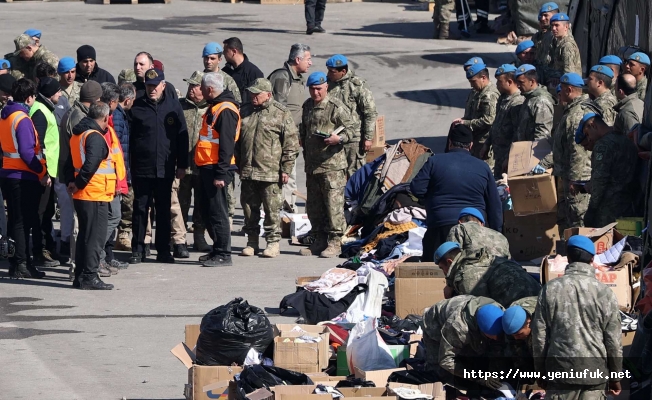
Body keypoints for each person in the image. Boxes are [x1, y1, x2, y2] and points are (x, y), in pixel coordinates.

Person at [532, 235, 623, 398]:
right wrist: (615, 376)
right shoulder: (605, 293)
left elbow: (539, 337)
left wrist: (540, 372)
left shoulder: (549, 289)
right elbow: (613, 340)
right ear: (592, 259)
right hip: (594, 374)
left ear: (568, 257)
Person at [411, 124, 502, 262]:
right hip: (475, 229)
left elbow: (416, 188)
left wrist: (431, 198)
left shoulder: (434, 162)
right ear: (471, 145)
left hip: (440, 226)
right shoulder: (483, 167)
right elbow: (495, 206)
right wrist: (496, 233)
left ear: (450, 143)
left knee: (434, 270)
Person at [128, 68, 188, 264]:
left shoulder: (173, 106)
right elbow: (128, 139)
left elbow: (182, 136)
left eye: (155, 86)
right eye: (149, 86)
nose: (152, 89)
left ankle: (163, 250)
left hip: (165, 167)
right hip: (142, 167)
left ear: (163, 85)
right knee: (140, 208)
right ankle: (137, 249)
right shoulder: (136, 107)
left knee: (163, 210)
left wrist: (182, 164)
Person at [236, 79, 299, 257]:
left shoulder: (281, 113)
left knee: (272, 210)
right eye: (252, 93)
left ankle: (272, 243)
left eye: (257, 93)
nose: (253, 96)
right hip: (248, 171)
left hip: (270, 173)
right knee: (249, 209)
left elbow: (291, 144)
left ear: (268, 95)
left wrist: (286, 169)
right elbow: (237, 140)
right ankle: (252, 242)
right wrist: (238, 162)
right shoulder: (245, 111)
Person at [299, 71, 355, 258]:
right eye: (312, 89)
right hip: (313, 166)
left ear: (326, 87)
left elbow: (353, 130)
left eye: (319, 89)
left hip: (332, 165)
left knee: (333, 205)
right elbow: (304, 130)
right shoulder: (307, 106)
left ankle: (335, 241)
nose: (315, 93)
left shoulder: (335, 106)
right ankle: (319, 239)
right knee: (315, 207)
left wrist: (338, 138)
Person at [0, 78, 48, 279]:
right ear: (29, 98)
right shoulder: (23, 119)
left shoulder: (5, 116)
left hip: (8, 174)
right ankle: (21, 263)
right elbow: (28, 153)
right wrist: (42, 172)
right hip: (23, 176)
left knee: (14, 221)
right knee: (22, 221)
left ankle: (16, 262)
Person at [67, 102, 115, 290]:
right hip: (94, 193)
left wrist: (73, 182)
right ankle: (89, 276)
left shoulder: (78, 134)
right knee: (94, 238)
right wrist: (78, 182)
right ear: (104, 118)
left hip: (84, 193)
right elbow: (91, 165)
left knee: (85, 237)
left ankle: (81, 276)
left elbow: (70, 162)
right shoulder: (94, 137)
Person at [195, 72, 240, 267]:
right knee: (207, 210)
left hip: (217, 169)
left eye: (202, 89)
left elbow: (226, 144)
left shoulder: (226, 110)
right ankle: (217, 250)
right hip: (208, 166)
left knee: (218, 212)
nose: (200, 91)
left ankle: (224, 253)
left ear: (210, 89)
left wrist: (221, 173)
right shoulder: (215, 107)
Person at [538, 73, 592, 233]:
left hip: (576, 181)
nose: (559, 94)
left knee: (577, 221)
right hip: (566, 177)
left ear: (569, 90)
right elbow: (561, 147)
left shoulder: (576, 116)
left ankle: (578, 253)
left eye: (561, 91)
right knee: (566, 220)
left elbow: (578, 152)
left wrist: (575, 182)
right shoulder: (570, 112)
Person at [422, 297, 505, 395]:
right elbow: (446, 360)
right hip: (434, 324)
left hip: (465, 321)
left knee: (477, 356)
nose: (496, 338)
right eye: (492, 336)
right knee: (440, 376)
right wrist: (478, 377)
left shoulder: (500, 313)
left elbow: (498, 346)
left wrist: (494, 371)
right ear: (481, 330)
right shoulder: (459, 327)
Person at [269, 43, 311, 213]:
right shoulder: (283, 77)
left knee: (290, 175)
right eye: (308, 59)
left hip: (292, 137)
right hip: (281, 138)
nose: (310, 63)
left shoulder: (298, 79)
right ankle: (283, 213)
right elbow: (279, 111)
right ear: (297, 59)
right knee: (284, 175)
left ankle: (289, 211)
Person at [576, 113, 638, 227]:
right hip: (629, 205)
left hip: (608, 210)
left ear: (593, 125)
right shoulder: (624, 139)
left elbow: (600, 181)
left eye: (587, 134)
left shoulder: (602, 145)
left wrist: (592, 210)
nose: (589, 138)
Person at [326, 54, 378, 179]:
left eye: (332, 71)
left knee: (354, 173)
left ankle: (353, 199)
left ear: (343, 71)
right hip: (333, 137)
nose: (328, 74)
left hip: (354, 140)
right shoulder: (328, 84)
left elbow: (370, 112)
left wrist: (368, 138)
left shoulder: (357, 85)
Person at [29, 77, 63, 268]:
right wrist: (43, 173)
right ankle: (40, 252)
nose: (60, 94)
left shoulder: (44, 108)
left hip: (48, 170)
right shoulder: (41, 111)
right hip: (43, 172)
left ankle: (48, 248)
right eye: (58, 91)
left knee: (47, 211)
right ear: (51, 93)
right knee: (41, 213)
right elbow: (38, 144)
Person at [98, 83, 129, 274]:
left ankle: (103, 256)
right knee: (112, 217)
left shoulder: (109, 120)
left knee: (111, 218)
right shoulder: (108, 121)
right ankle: (98, 256)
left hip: (113, 180)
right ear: (112, 102)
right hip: (108, 182)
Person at [178, 71, 211, 252]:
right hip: (183, 166)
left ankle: (199, 236)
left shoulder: (211, 108)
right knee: (180, 204)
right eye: (189, 85)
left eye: (195, 86)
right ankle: (179, 238)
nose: (191, 89)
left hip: (203, 166)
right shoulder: (180, 106)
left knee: (201, 204)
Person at [452, 62, 499, 169]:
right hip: (477, 141)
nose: (471, 85)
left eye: (473, 82)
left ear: (483, 78)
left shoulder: (489, 95)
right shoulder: (479, 92)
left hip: (485, 143)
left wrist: (466, 123)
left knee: (486, 171)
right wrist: (463, 119)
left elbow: (489, 120)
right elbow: (475, 114)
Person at [480, 64, 524, 178]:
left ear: (509, 82)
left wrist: (510, 158)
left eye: (499, 81)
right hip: (498, 154)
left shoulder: (517, 102)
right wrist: (487, 144)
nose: (497, 84)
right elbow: (496, 124)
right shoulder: (503, 98)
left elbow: (517, 134)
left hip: (507, 156)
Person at [114, 83, 136, 252]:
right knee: (124, 206)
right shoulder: (118, 118)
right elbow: (117, 147)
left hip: (121, 170)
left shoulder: (120, 116)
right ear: (127, 100)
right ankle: (120, 237)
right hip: (118, 171)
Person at [446, 207, 510, 258]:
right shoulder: (500, 235)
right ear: (482, 224)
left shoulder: (459, 228)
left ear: (460, 222)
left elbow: (452, 258)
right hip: (504, 272)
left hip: (475, 273)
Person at [514, 64, 555, 142]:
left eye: (521, 82)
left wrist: (534, 152)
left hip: (532, 150)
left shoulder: (541, 101)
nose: (518, 86)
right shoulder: (530, 97)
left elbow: (542, 133)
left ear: (532, 81)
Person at [222, 38, 264, 108]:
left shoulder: (254, 73)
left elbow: (260, 98)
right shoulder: (225, 72)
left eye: (225, 51)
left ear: (234, 52)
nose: (223, 53)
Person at [545, 13, 581, 87]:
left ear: (566, 27)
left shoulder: (567, 45)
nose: (554, 28)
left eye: (557, 25)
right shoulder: (558, 42)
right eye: (552, 26)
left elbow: (569, 73)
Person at [533, 2, 558, 72]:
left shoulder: (558, 35)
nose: (543, 18)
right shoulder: (539, 36)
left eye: (546, 15)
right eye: (541, 16)